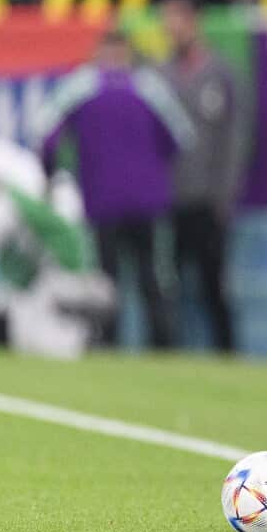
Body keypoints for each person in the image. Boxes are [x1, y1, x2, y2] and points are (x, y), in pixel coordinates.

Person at [35, 31, 195, 348]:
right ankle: (163, 347)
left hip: (102, 197)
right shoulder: (149, 87)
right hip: (146, 199)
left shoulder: (82, 85)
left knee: (107, 278)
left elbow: (46, 132)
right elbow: (181, 138)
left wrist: (53, 173)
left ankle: (108, 344)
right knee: (151, 275)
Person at [159, 0, 248, 352]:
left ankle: (228, 352)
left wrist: (225, 194)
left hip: (208, 198)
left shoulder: (221, 73)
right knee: (171, 285)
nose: (171, 26)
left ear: (194, 20)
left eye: (177, 17)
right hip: (170, 197)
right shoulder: (159, 73)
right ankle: (171, 355)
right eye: (167, 19)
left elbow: (236, 138)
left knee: (214, 285)